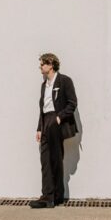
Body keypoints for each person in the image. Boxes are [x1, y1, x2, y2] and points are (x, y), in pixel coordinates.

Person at [30, 53, 77, 209]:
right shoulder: (44, 85)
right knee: (45, 160)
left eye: (42, 64)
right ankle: (47, 196)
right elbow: (42, 109)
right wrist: (39, 128)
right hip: (45, 122)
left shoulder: (64, 81)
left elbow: (72, 103)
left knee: (56, 159)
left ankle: (55, 196)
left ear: (51, 64)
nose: (40, 67)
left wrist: (59, 117)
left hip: (56, 121)